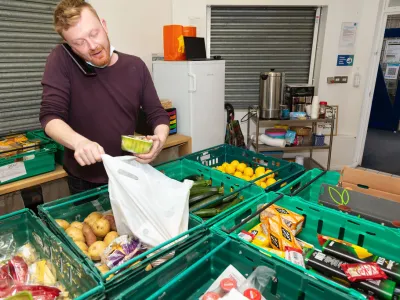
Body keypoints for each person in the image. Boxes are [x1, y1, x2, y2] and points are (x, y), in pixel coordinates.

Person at [39, 0, 170, 195]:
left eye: (94, 33)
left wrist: (159, 139)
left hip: (128, 171)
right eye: (79, 42)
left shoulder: (135, 66)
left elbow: (157, 113)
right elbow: (50, 117)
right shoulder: (61, 59)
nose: (92, 46)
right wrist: (79, 142)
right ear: (68, 44)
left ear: (104, 25)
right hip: (84, 180)